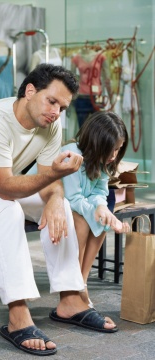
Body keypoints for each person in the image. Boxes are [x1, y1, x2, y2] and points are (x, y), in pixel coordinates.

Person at [0, 64, 117, 357]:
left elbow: (47, 181)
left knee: (62, 204)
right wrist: (53, 179)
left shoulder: (50, 124)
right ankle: (17, 316)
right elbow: (5, 188)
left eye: (62, 107)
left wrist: (53, 200)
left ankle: (70, 300)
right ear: (30, 91)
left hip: (2, 186)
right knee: (7, 211)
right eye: (51, 101)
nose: (56, 111)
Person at [62, 111, 130, 308]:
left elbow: (100, 191)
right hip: (48, 204)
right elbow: (72, 198)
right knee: (83, 223)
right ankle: (74, 286)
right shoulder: (71, 154)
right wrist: (98, 211)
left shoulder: (102, 161)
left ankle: (81, 282)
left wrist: (101, 208)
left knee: (102, 219)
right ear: (97, 142)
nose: (114, 156)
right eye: (111, 149)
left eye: (118, 149)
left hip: (74, 205)